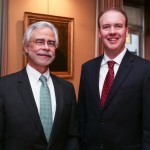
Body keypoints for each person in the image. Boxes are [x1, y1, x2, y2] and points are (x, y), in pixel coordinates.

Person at [78, 7, 150, 150]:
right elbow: (82, 117)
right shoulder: (87, 68)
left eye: (118, 26)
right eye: (106, 27)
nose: (112, 32)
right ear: (99, 33)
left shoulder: (145, 69)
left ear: (126, 31)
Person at [0, 21, 80, 150]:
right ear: (26, 47)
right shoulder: (4, 87)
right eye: (39, 42)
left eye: (51, 43)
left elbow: (72, 136)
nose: (46, 47)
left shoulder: (67, 89)